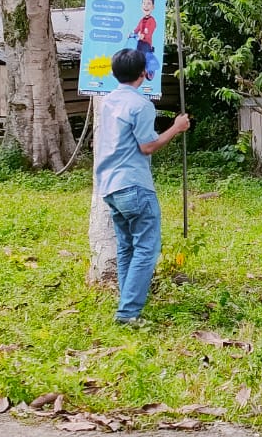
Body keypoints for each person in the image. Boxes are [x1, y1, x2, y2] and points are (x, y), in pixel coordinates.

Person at [96, 48, 190, 324]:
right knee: (147, 248)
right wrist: (176, 127)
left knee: (127, 248)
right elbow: (147, 146)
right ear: (144, 73)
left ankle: (126, 305)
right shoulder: (141, 105)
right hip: (133, 184)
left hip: (110, 186)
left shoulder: (109, 101)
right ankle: (128, 313)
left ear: (114, 73)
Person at [129, 0, 159, 82]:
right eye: (144, 2)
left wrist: (144, 36)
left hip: (146, 43)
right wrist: (132, 33)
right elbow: (137, 28)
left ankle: (148, 70)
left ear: (153, 7)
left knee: (143, 54)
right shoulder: (142, 20)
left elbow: (150, 31)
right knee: (134, 52)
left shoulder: (152, 21)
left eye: (148, 3)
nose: (146, 5)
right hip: (140, 42)